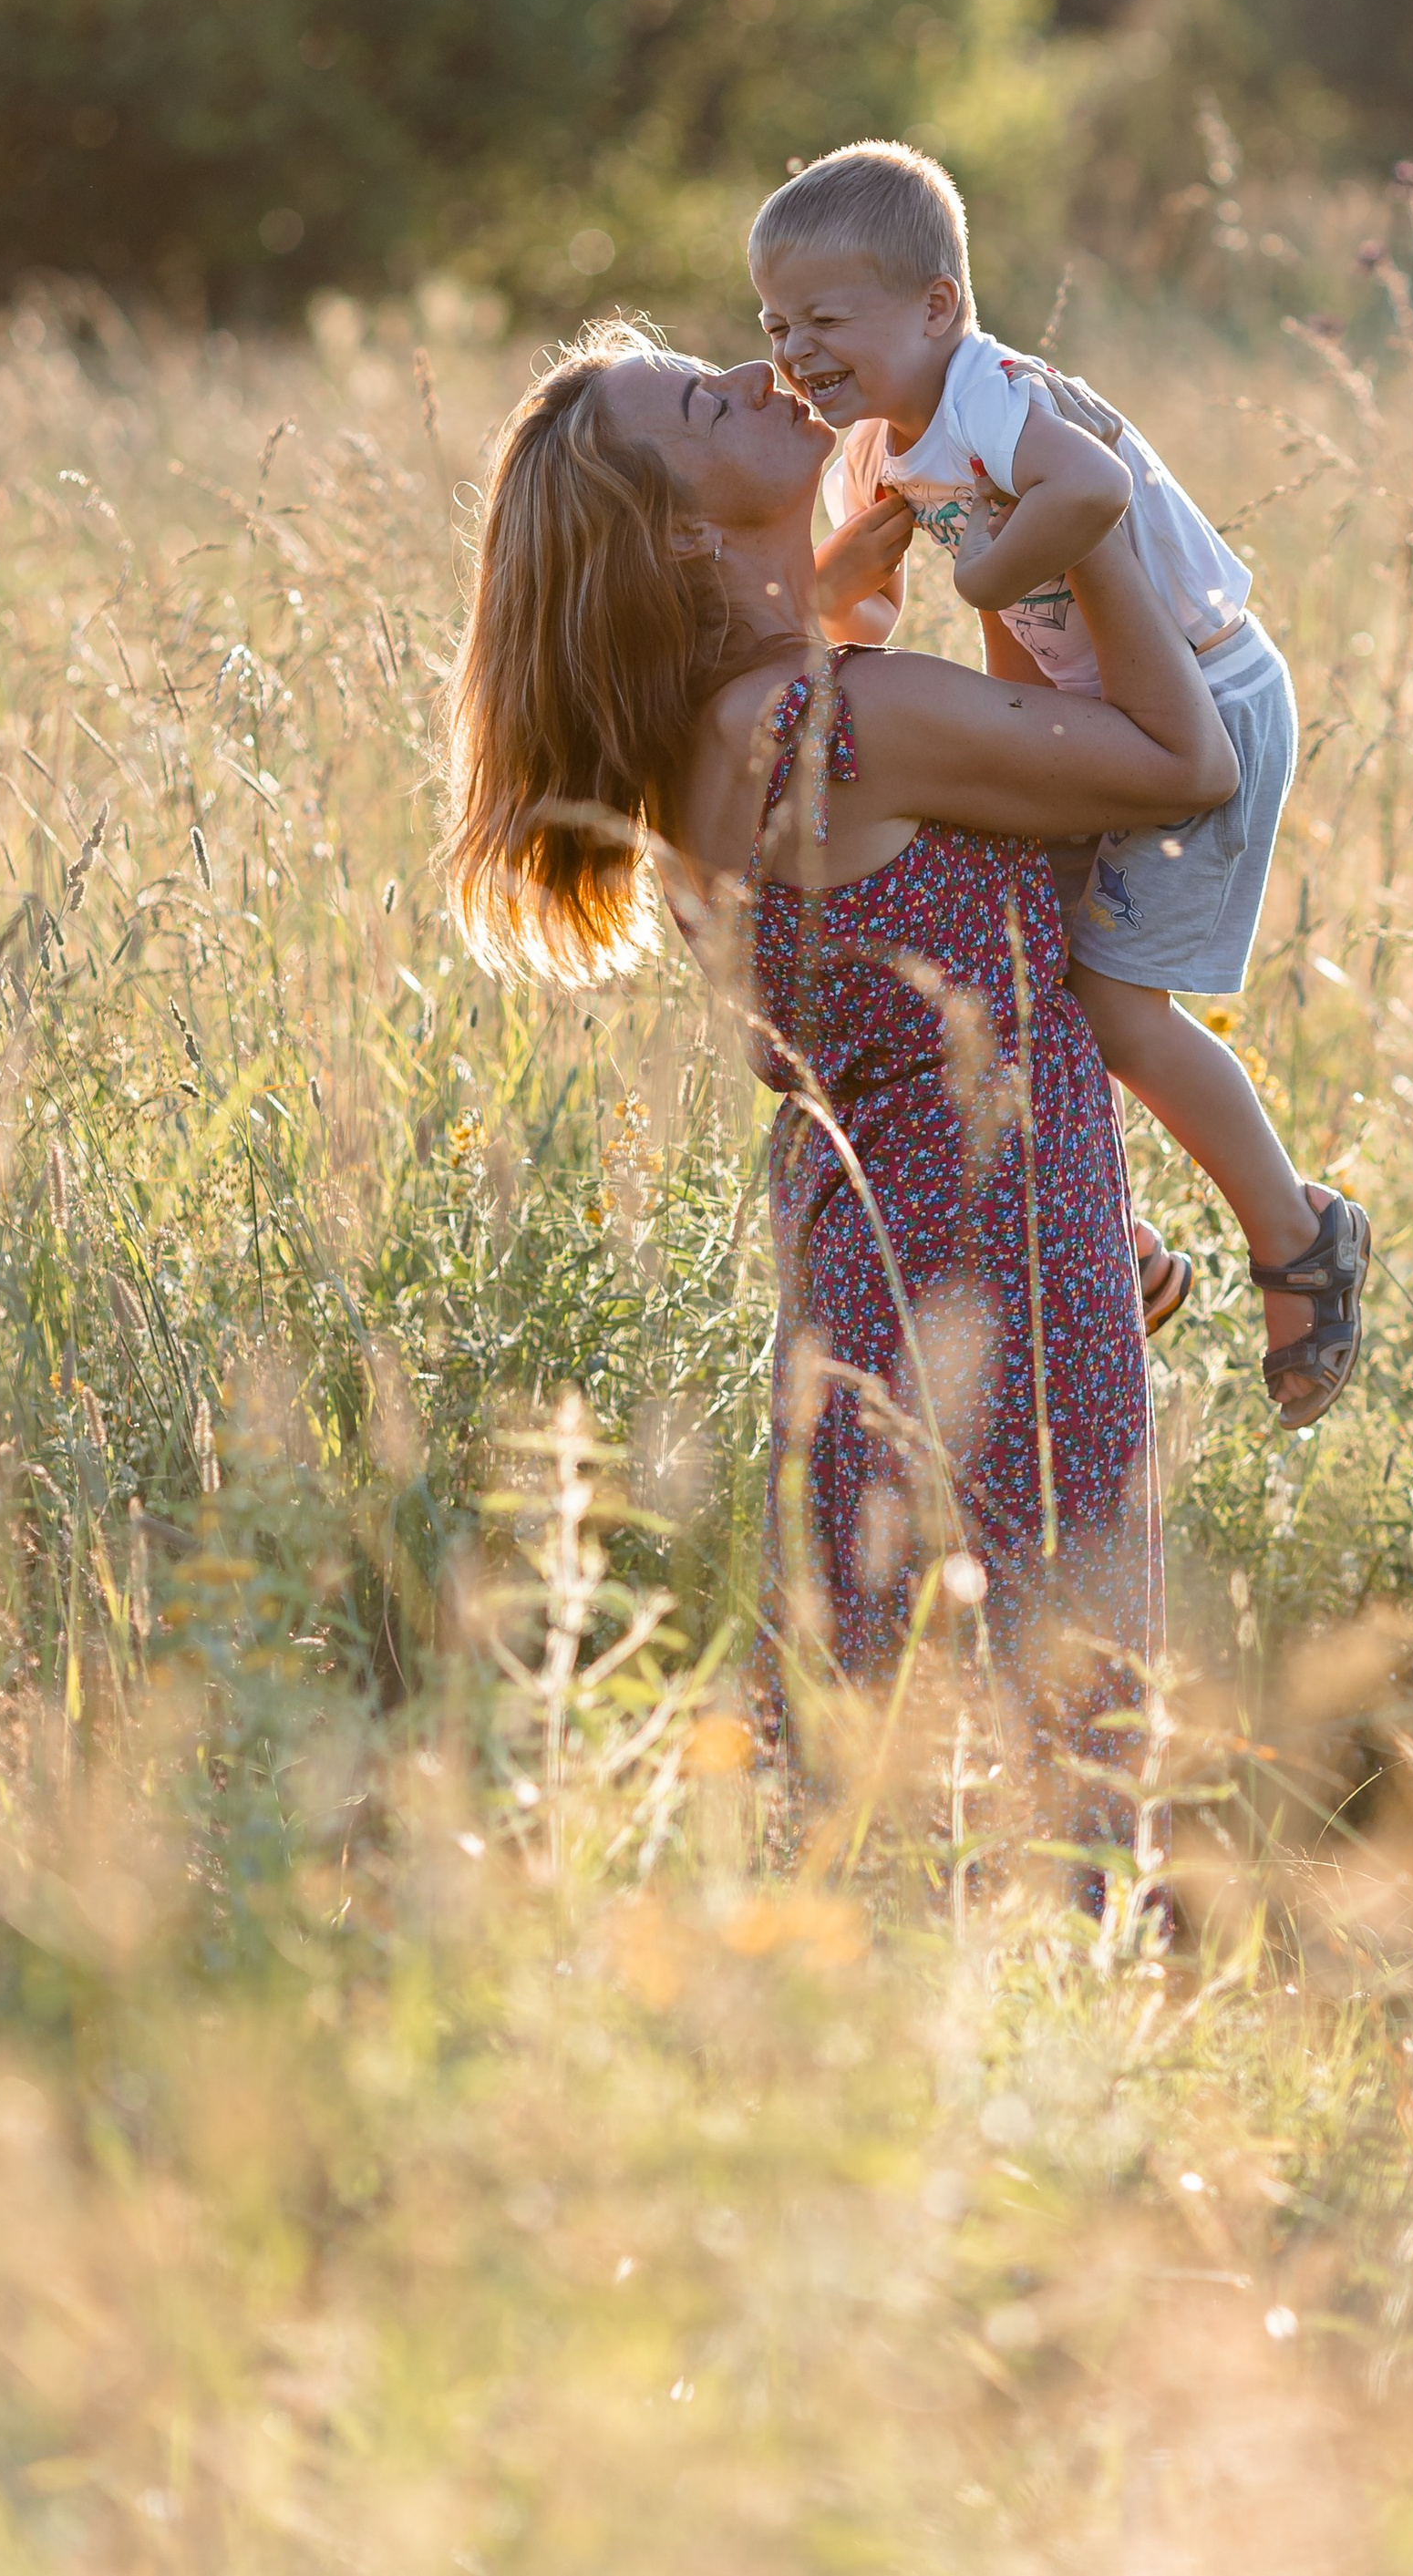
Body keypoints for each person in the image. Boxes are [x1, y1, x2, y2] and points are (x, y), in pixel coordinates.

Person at [440, 319, 1237, 1863]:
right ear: (678, 527)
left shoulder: (706, 742)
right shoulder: (837, 723)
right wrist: (1082, 513)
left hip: (907, 1283)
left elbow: (891, 1017)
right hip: (985, 1287)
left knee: (894, 1784)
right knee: (1060, 1779)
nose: (749, 371)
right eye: (695, 400)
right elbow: (1182, 762)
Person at [748, 138, 1371, 1430]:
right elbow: (854, 610)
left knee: (1112, 1001)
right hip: (1092, 713)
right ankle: (1123, 1240)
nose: (794, 347)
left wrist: (978, 582)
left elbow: (1086, 487)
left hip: (1207, 690)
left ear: (936, 306)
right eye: (772, 321)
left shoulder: (989, 395)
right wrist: (830, 595)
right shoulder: (884, 442)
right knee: (1031, 978)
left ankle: (1298, 1232)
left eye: (823, 317)